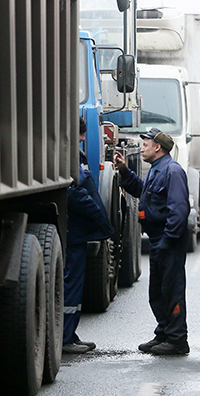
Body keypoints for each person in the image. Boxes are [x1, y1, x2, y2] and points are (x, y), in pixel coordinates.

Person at [114, 127, 191, 355]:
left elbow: (179, 210)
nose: (142, 148)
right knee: (157, 292)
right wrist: (125, 172)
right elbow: (142, 191)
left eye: (145, 144)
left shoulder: (172, 171)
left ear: (158, 147)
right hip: (159, 239)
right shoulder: (157, 170)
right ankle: (164, 334)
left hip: (168, 241)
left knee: (172, 290)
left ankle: (177, 340)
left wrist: (167, 241)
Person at [63, 118, 115, 354]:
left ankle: (69, 334)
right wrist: (94, 210)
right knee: (71, 285)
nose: (84, 138)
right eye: (82, 134)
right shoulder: (68, 157)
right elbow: (73, 193)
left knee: (74, 284)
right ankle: (65, 338)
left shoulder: (74, 155)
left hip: (77, 232)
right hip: (74, 232)